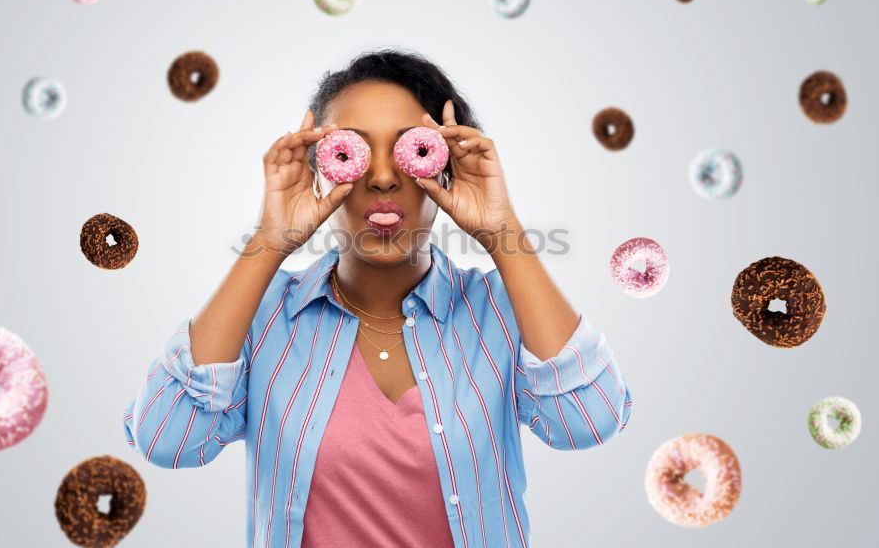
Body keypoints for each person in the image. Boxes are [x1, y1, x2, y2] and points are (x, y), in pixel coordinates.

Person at [124, 48, 633, 547]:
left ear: (448, 167)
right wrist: (268, 242)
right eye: (353, 151)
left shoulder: (500, 310)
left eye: (413, 149)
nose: (384, 176)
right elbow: (170, 439)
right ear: (321, 168)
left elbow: (588, 421)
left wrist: (503, 230)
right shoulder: (261, 317)